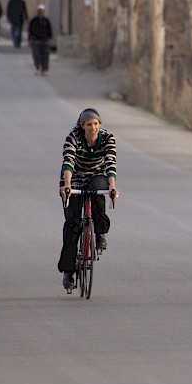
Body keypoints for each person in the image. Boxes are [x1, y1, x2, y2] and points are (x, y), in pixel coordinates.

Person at [58, 108, 118, 291]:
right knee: (72, 224)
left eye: (96, 124)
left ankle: (100, 233)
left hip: (96, 175)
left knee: (98, 192)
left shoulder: (108, 138)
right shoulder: (73, 138)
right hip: (74, 177)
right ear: (82, 126)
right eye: (89, 124)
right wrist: (67, 184)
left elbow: (110, 163)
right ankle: (69, 272)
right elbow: (68, 161)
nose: (93, 128)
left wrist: (113, 186)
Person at [27, 4, 53, 76]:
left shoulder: (46, 20)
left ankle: (44, 70)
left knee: (45, 56)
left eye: (42, 11)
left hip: (45, 41)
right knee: (36, 55)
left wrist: (50, 38)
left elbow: (49, 30)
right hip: (36, 41)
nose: (40, 12)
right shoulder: (33, 21)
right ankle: (37, 68)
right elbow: (30, 31)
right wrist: (29, 40)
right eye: (39, 11)